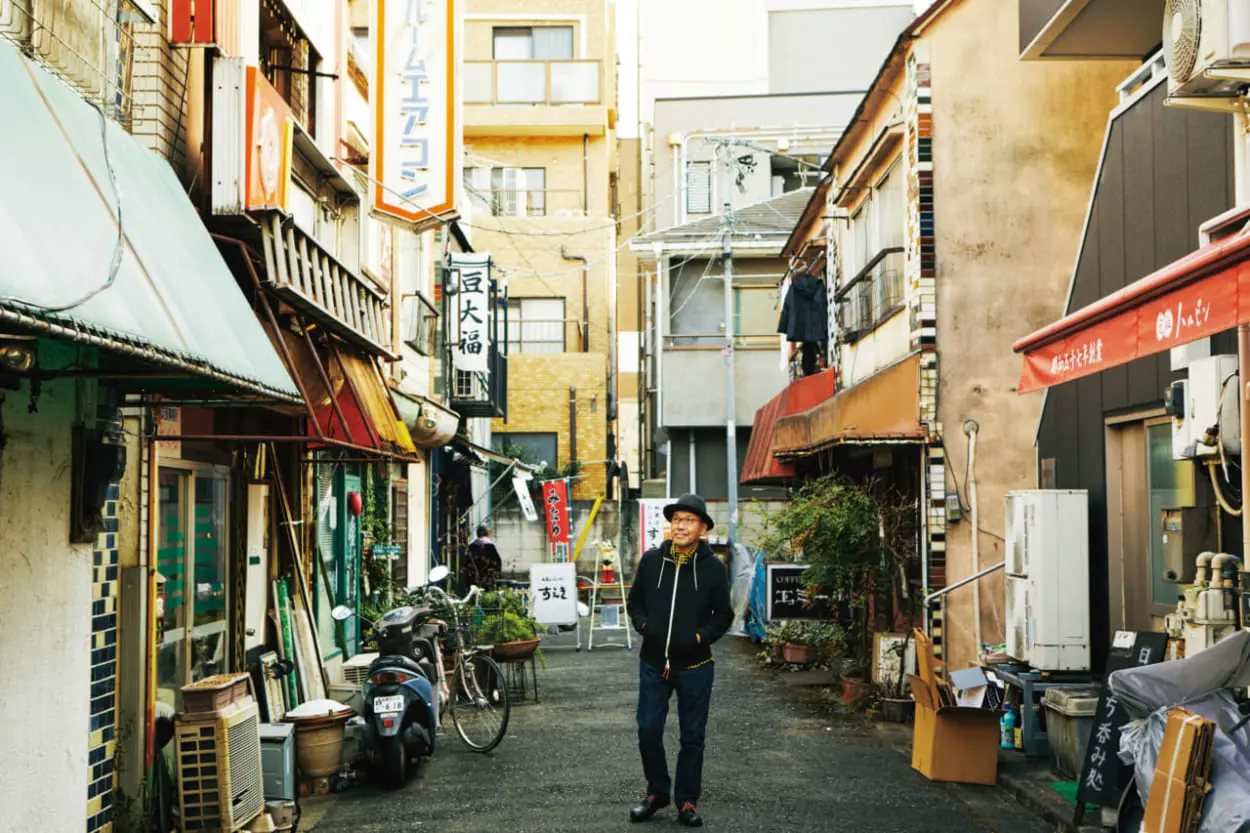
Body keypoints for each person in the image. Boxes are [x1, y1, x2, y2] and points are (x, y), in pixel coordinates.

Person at [625, 493, 733, 828]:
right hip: (654, 663)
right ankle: (657, 793)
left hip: (696, 666)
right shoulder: (653, 561)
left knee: (692, 736)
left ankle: (687, 800)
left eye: (689, 520)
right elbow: (635, 603)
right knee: (648, 729)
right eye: (676, 519)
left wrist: (699, 638)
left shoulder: (713, 568)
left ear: (703, 529)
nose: (681, 525)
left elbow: (723, 615)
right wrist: (645, 626)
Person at [463, 524, 502, 589]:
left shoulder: (471, 546)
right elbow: (497, 562)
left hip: (474, 580)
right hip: (487, 579)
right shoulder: (490, 545)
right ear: (487, 533)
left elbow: (467, 564)